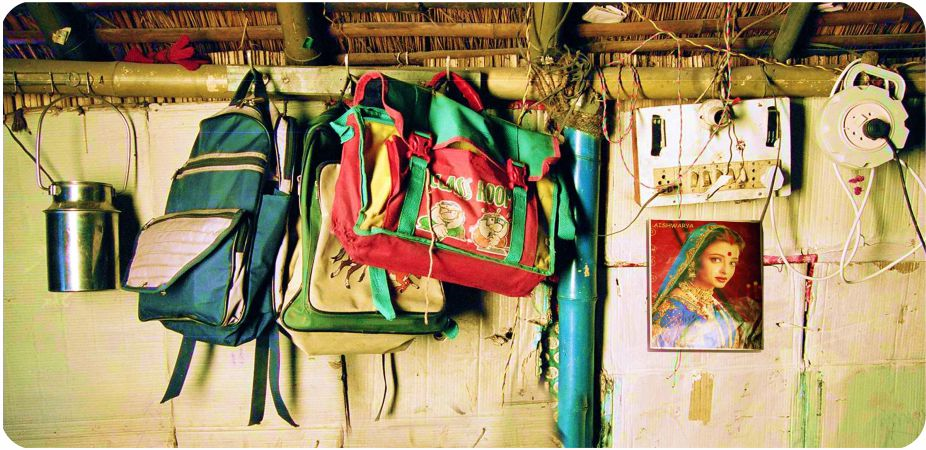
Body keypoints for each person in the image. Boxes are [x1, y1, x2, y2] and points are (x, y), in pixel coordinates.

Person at [651, 223, 756, 349]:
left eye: (732, 263)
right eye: (716, 259)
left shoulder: (714, 304)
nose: (725, 270)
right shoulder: (675, 307)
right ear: (694, 260)